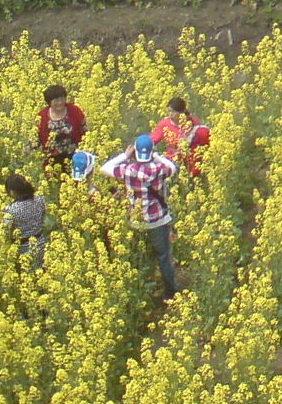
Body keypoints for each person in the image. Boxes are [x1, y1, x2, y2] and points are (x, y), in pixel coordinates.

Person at [102, 135, 180, 299]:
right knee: (163, 257)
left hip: (136, 221)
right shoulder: (158, 170)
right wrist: (157, 156)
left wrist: (125, 155)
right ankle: (170, 293)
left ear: (135, 153)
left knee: (138, 256)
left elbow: (104, 168)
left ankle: (141, 292)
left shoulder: (127, 170)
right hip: (157, 220)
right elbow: (172, 167)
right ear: (151, 153)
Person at [151, 97, 211, 177]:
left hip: (191, 163)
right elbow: (152, 141)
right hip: (172, 162)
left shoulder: (193, 122)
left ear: (182, 112)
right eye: (169, 111)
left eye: (174, 111)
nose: (170, 114)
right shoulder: (164, 124)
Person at [35, 84, 87, 167]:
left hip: (76, 158)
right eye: (56, 100)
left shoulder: (75, 111)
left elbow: (85, 132)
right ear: (49, 102)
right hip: (52, 161)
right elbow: (36, 137)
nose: (60, 102)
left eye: (62, 98)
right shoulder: (42, 116)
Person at [2, 173, 47, 268]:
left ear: (12, 192)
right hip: (42, 245)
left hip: (24, 249)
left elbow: (6, 232)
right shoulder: (40, 200)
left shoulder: (11, 210)